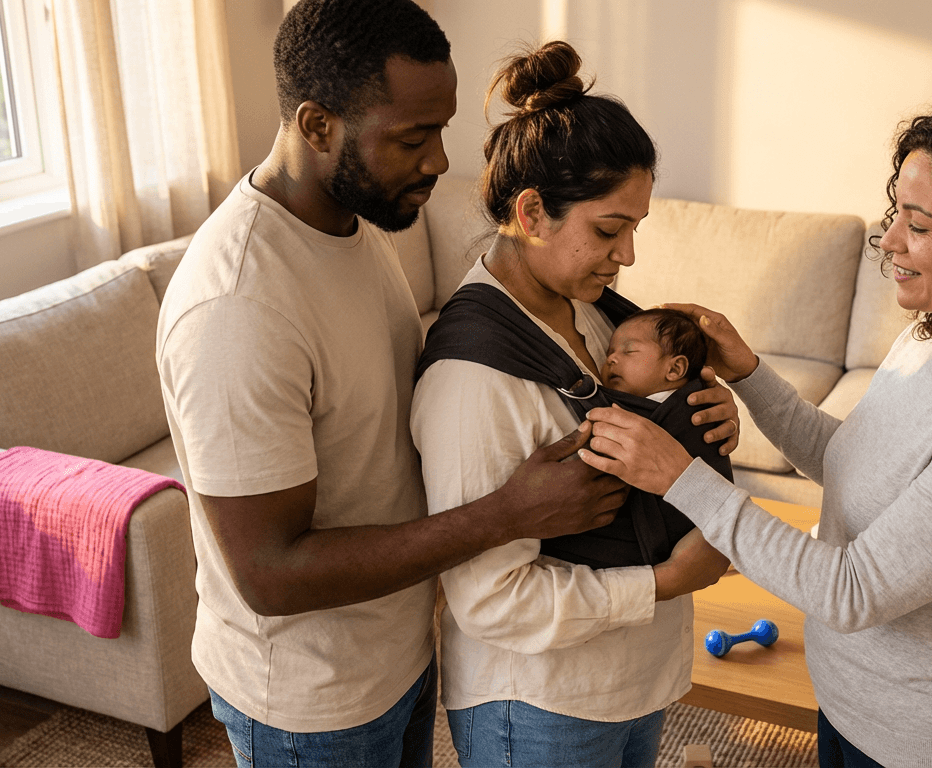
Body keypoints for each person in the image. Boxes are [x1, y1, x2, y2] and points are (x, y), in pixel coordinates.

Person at [581, 98, 932, 768]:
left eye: (918, 225)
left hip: (930, 744)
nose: (889, 239)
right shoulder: (929, 338)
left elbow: (851, 590)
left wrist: (682, 480)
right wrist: (748, 372)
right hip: (846, 707)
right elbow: (851, 462)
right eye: (896, 210)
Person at [155, 3, 635, 767]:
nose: (441, 161)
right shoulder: (238, 306)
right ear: (318, 127)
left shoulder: (352, 223)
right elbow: (270, 574)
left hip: (398, 656)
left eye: (441, 129)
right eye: (413, 138)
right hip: (311, 706)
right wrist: (506, 512)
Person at [409, 41, 738, 768]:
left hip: (629, 679)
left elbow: (647, 430)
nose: (628, 258)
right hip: (541, 707)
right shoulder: (474, 380)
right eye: (609, 230)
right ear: (532, 213)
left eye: (634, 230)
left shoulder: (592, 317)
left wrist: (698, 413)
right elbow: (490, 600)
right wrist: (663, 582)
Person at [602, 308, 709, 400]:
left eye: (629, 351)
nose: (611, 358)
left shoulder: (691, 409)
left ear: (674, 369)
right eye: (609, 353)